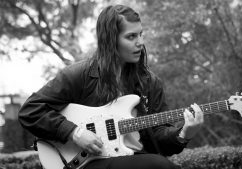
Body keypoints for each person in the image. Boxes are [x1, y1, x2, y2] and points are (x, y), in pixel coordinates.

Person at [18, 4, 204, 169]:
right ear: (110, 40)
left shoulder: (150, 83)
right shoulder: (78, 75)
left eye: (141, 34)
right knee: (159, 165)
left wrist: (184, 133)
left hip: (133, 158)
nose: (140, 42)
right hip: (86, 161)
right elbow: (30, 111)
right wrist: (75, 132)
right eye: (131, 36)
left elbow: (160, 140)